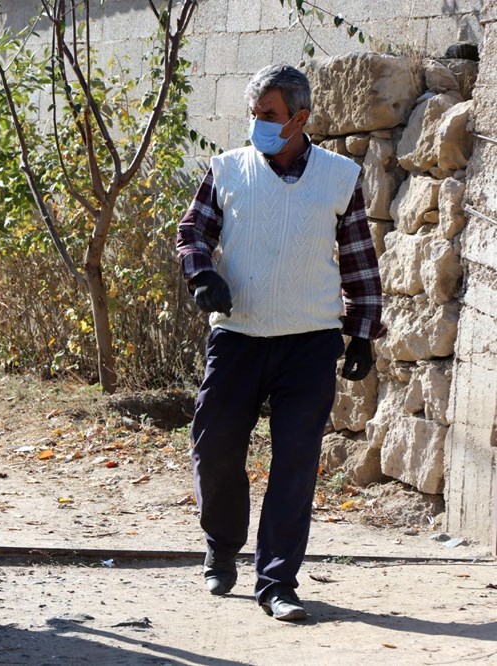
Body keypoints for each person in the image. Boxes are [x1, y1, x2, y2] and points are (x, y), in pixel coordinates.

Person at [175, 64, 384, 622]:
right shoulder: (228, 169)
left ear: (300, 118)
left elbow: (359, 256)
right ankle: (221, 546)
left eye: (268, 116)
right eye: (253, 114)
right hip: (238, 337)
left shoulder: (339, 176)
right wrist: (202, 276)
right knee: (215, 448)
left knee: (295, 463)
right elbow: (192, 230)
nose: (258, 124)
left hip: (309, 342)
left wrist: (362, 328)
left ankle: (277, 583)